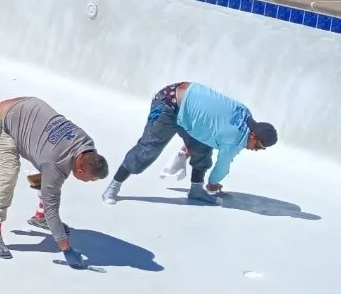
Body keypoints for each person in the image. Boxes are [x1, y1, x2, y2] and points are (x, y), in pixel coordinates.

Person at [103, 82, 277, 205]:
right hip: (167, 105)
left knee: (202, 148)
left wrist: (189, 146)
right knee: (147, 150)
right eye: (259, 147)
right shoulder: (237, 140)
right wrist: (213, 183)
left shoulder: (245, 113)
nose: (256, 150)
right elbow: (223, 166)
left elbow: (211, 124)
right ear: (253, 136)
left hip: (180, 96)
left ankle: (195, 190)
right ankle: (113, 187)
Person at [0, 96, 108, 266]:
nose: (90, 181)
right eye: (90, 179)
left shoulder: (86, 144)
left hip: (30, 109)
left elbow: (55, 168)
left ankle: (39, 217)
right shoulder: (55, 163)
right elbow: (53, 210)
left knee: (50, 175)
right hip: (2, 120)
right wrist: (67, 249)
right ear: (80, 171)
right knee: (9, 171)